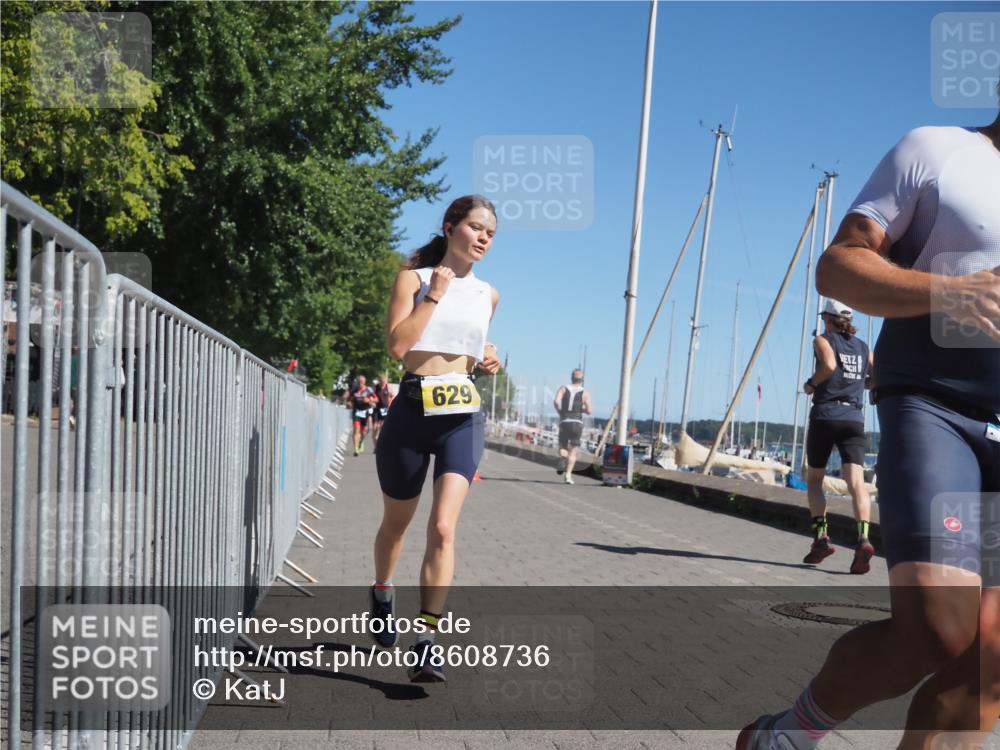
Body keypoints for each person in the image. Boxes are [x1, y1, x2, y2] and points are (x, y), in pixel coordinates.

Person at [738, 105, 1000, 747]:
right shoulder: (938, 152)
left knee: (990, 659)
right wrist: (950, 293)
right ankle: (789, 735)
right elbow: (838, 265)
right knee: (938, 629)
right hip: (936, 405)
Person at [369, 195, 501, 682]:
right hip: (411, 410)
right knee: (395, 527)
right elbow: (400, 346)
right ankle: (383, 589)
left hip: (462, 415)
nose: (485, 237)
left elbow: (470, 350)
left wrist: (488, 357)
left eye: (491, 232)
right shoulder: (414, 279)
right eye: (476, 227)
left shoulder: (489, 294)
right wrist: (435, 294)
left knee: (443, 528)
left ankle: (426, 640)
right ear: (450, 227)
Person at [800, 298, 875, 574]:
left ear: (828, 319)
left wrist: (812, 383)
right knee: (857, 482)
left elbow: (829, 365)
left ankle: (821, 538)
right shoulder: (864, 346)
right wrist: (859, 384)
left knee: (815, 479)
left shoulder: (823, 339)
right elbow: (875, 377)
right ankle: (864, 539)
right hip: (853, 419)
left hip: (825, 415)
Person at [552, 369, 592, 485]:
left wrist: (560, 411)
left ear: (571, 378)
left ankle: (562, 459)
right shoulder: (585, 393)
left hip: (565, 421)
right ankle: (568, 476)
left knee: (563, 446)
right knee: (573, 451)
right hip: (577, 423)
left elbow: (556, 401)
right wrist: (580, 409)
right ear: (582, 380)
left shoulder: (563, 388)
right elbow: (589, 410)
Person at [350, 375, 376, 456]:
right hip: (356, 412)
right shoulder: (354, 390)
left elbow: (376, 399)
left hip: (365, 412)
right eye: (359, 382)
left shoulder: (369, 390)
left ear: (364, 382)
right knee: (356, 430)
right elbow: (350, 399)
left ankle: (361, 442)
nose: (360, 384)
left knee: (364, 431)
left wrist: (369, 400)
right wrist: (349, 402)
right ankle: (356, 449)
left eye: (362, 382)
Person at [371, 374, 393, 446]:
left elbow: (392, 396)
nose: (383, 383)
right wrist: (372, 402)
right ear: (379, 381)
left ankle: (380, 445)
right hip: (377, 410)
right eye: (382, 382)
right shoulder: (375, 388)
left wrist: (390, 403)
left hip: (385, 410)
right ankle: (376, 445)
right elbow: (370, 396)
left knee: (382, 428)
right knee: (375, 428)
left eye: (384, 382)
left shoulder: (388, 387)